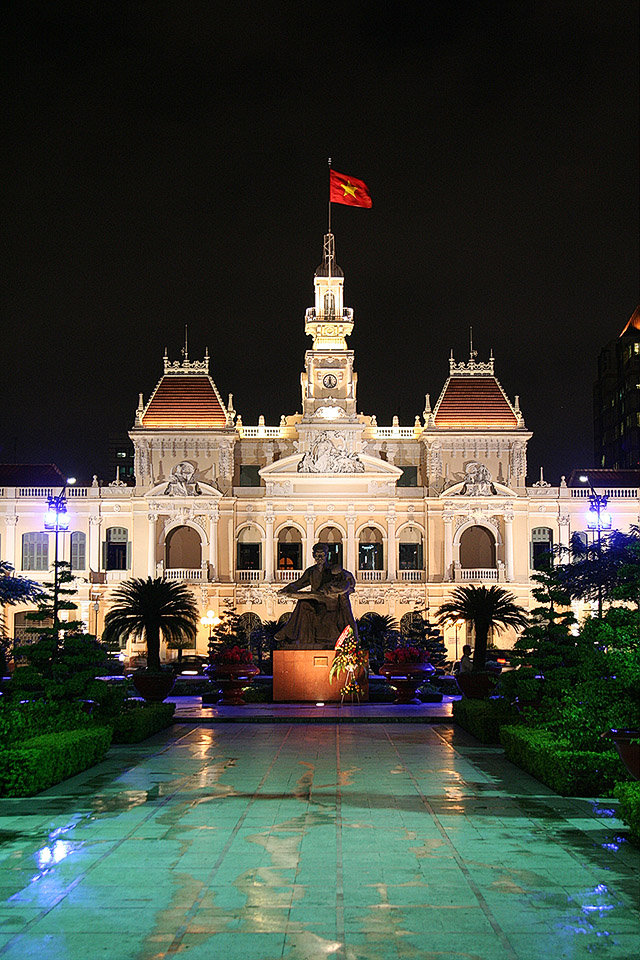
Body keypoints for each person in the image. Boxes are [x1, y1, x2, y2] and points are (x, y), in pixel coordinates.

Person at [275, 543, 358, 648]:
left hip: (331, 603)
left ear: (327, 555)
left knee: (304, 603)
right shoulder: (311, 571)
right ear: (313, 555)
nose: (320, 558)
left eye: (322, 555)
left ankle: (287, 633)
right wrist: (287, 589)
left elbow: (348, 581)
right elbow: (299, 583)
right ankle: (290, 635)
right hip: (316, 601)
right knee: (303, 604)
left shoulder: (334, 570)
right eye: (317, 555)